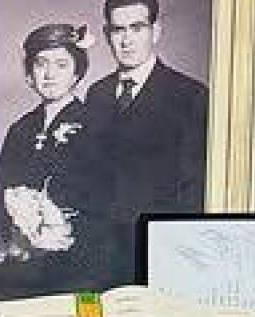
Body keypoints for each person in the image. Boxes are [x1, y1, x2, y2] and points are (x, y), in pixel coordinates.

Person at [84, 0, 209, 287]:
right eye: (118, 30)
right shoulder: (97, 94)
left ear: (156, 32)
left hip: (158, 254)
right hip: (100, 256)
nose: (126, 40)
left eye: (137, 28)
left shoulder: (190, 96)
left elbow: (193, 190)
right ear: (107, 35)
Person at [0, 22, 106, 300]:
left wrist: (54, 227)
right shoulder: (20, 129)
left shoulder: (97, 125)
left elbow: (103, 202)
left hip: (73, 266)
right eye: (41, 64)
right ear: (29, 75)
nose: (50, 74)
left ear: (77, 73)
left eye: (61, 65)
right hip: (19, 267)